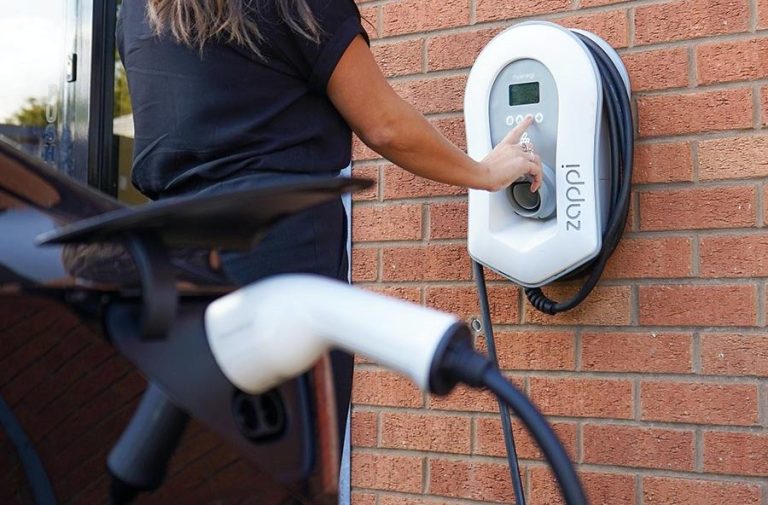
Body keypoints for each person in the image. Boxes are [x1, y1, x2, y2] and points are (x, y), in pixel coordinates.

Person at [116, 0, 542, 496]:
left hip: (172, 264)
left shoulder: (138, 11)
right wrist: (485, 172)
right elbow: (383, 124)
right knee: (287, 466)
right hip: (277, 251)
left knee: (200, 465)